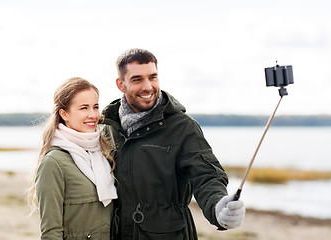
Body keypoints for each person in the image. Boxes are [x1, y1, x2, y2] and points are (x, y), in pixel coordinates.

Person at [101, 48, 245, 240]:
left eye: (153, 77)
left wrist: (218, 206)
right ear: (121, 84)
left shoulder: (183, 127)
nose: (148, 86)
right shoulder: (108, 127)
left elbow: (207, 175)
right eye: (137, 79)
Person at [28, 77, 117, 239]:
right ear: (64, 114)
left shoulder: (104, 155)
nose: (93, 115)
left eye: (95, 107)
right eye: (84, 108)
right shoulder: (53, 163)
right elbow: (51, 232)